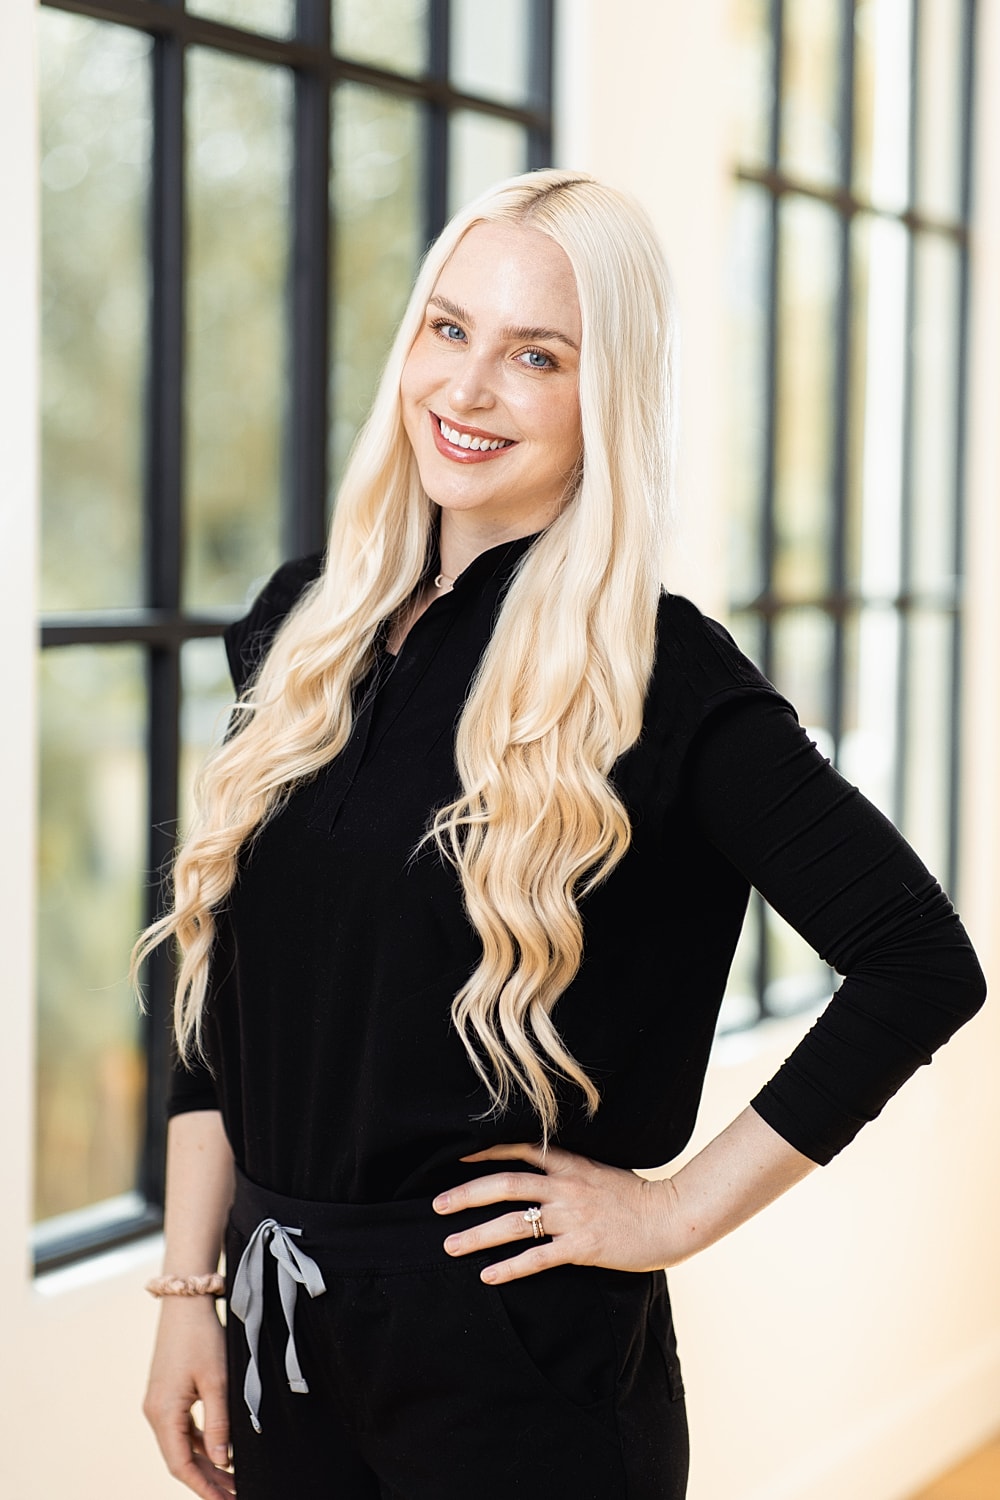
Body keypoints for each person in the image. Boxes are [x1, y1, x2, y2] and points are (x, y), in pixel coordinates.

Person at [136, 168, 986, 1500]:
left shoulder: (664, 677)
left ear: (608, 399)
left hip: (517, 1373)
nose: (467, 391)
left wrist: (671, 1210)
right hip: (281, 1336)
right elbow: (216, 988)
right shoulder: (301, 623)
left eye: (535, 355)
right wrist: (192, 1285)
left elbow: (919, 959)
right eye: (449, 328)